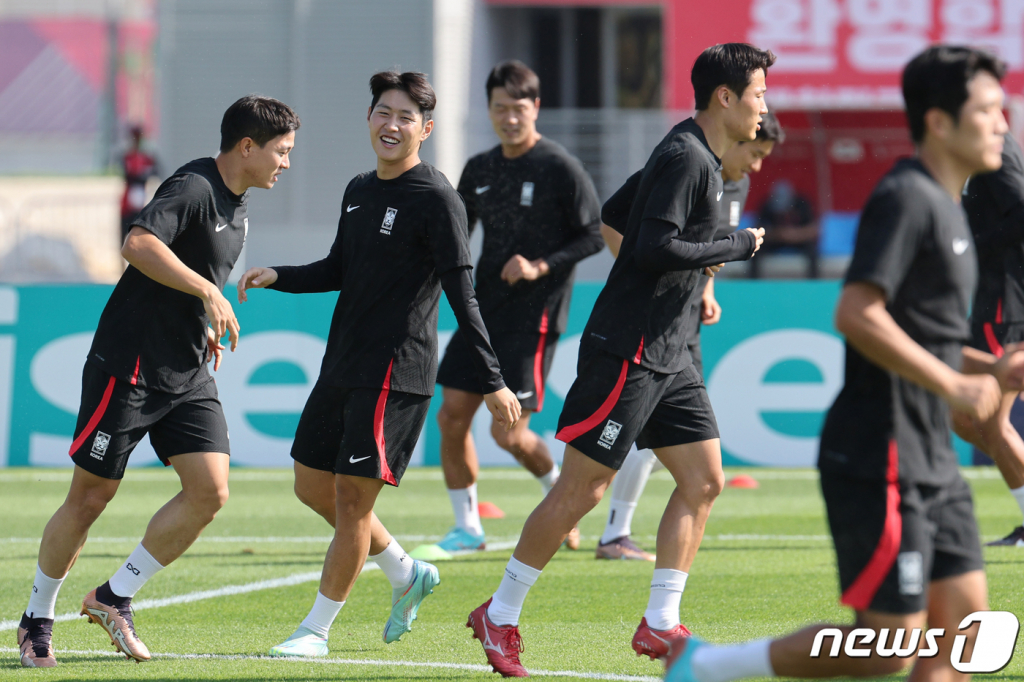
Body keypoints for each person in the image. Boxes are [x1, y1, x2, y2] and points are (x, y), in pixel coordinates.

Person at [666, 45, 1024, 682]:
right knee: (889, 647)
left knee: (961, 639)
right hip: (879, 453)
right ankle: (710, 667)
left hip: (931, 460)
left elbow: (928, 338)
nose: (1003, 124)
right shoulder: (906, 198)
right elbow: (857, 312)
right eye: (990, 111)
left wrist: (992, 369)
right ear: (940, 122)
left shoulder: (953, 208)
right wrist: (954, 384)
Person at [467, 43, 769, 678]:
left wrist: (696, 271)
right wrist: (734, 244)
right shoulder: (688, 156)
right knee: (585, 488)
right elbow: (656, 246)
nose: (763, 108)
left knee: (704, 480)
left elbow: (615, 216)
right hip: (629, 351)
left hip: (671, 352)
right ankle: (500, 612)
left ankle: (660, 625)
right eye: (758, 95)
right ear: (725, 97)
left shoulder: (696, 155)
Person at [236, 71, 520, 659]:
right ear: (369, 118)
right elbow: (339, 267)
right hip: (341, 363)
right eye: (383, 112)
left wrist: (491, 380)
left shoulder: (438, 198)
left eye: (406, 117)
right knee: (311, 484)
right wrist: (279, 276)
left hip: (396, 372)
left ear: (426, 129)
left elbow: (461, 292)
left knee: (352, 504)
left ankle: (315, 631)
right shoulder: (359, 187)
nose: (392, 125)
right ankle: (405, 570)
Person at [16, 95, 300, 668]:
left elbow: (195, 275)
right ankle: (36, 620)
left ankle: (114, 596)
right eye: (282, 151)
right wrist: (209, 292)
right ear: (248, 146)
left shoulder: (239, 201)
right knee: (91, 497)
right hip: (132, 365)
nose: (286, 163)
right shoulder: (193, 186)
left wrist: (206, 322)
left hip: (189, 370)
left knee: (210, 491)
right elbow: (138, 244)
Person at [428, 60, 604, 556]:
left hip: (535, 315)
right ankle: (468, 528)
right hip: (482, 312)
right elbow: (456, 233)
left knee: (508, 433)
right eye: (499, 108)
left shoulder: (559, 166)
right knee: (451, 416)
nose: (509, 117)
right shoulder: (480, 168)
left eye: (518, 108)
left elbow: (594, 235)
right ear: (488, 110)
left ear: (536, 108)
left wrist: (540, 266)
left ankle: (559, 497)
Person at [596, 112, 784, 562]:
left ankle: (634, 565)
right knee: (597, 470)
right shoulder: (688, 164)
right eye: (755, 153)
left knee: (695, 466)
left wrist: (707, 288)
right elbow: (618, 223)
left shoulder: (733, 184)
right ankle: (611, 533)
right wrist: (647, 280)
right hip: (651, 326)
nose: (757, 166)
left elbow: (702, 248)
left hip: (685, 323)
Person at [955, 132, 1024, 547]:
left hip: (1003, 305)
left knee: (988, 422)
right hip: (989, 301)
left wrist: (966, 247)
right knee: (967, 420)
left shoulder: (995, 146)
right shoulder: (970, 149)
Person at [750, 179, 817, 278]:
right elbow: (757, 229)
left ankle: (813, 282)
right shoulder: (767, 205)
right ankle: (753, 282)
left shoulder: (802, 204)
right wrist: (777, 234)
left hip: (798, 240)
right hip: (775, 240)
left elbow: (814, 229)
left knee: (812, 251)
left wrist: (795, 235)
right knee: (755, 249)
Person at [120, 125, 160, 244]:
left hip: (141, 201)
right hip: (128, 204)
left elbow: (155, 172)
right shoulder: (128, 157)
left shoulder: (147, 158)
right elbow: (128, 176)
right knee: (124, 237)